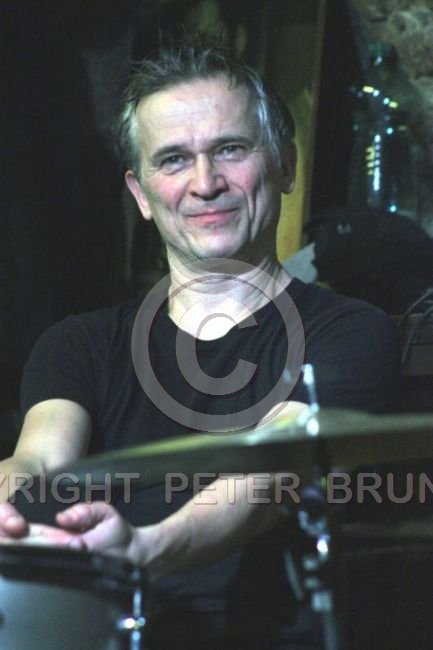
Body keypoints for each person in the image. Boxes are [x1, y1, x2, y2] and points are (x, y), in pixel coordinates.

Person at [0, 34, 401, 648]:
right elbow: (39, 461)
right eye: (173, 160)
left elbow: (272, 471)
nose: (205, 183)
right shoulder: (79, 343)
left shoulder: (349, 331)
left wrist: (146, 550)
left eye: (230, 149)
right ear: (140, 195)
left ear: (286, 165)